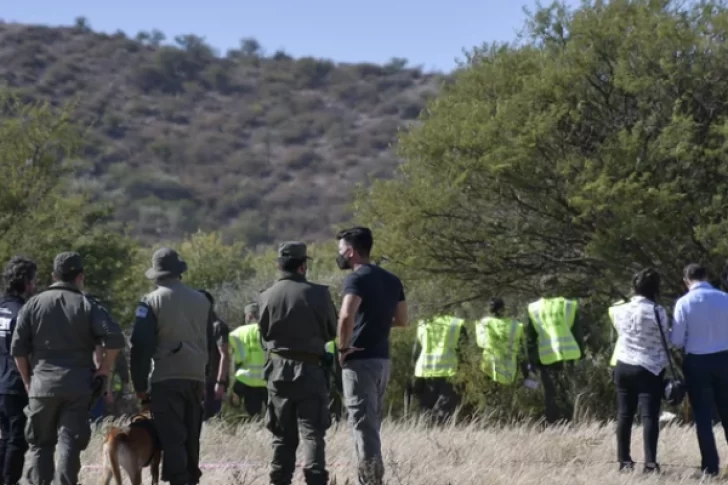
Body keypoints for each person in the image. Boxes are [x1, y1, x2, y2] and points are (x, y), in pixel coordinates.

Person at [10, 251, 125, 485]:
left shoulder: (33, 304)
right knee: (69, 446)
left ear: (53, 275)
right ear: (80, 276)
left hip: (42, 385)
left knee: (40, 445)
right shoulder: (87, 304)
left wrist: (28, 382)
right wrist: (104, 369)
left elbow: (18, 349)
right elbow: (115, 338)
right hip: (77, 386)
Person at [130, 247, 214, 485]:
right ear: (179, 273)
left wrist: (139, 385)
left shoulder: (150, 301)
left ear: (157, 276)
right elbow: (209, 343)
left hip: (166, 379)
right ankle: (190, 479)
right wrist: (206, 376)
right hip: (196, 378)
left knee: (173, 438)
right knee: (192, 437)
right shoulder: (203, 300)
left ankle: (179, 481)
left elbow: (140, 346)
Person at [258, 241, 337, 485]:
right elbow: (332, 330)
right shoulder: (319, 294)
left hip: (278, 371)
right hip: (310, 370)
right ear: (303, 266)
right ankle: (314, 478)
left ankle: (279, 478)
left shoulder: (266, 296)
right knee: (312, 432)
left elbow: (264, 334)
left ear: (279, 266)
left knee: (282, 435)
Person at [335, 227, 408, 485]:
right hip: (382, 360)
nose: (340, 255)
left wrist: (343, 349)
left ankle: (371, 480)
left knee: (363, 425)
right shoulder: (392, 279)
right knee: (372, 422)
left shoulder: (356, 280)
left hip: (359, 361)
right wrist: (376, 320)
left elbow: (346, 315)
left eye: (341, 250)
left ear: (352, 252)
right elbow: (401, 320)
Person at [671, 263, 728, 477]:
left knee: (703, 417)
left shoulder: (683, 303)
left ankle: (710, 467)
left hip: (697, 362)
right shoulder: (725, 298)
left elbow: (676, 340)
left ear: (686, 281)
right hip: (725, 358)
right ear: (707, 276)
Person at [609, 268, 667, 474]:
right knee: (649, 416)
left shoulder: (619, 310)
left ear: (634, 286)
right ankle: (650, 463)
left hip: (623, 364)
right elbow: (666, 340)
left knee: (624, 415)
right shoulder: (657, 311)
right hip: (649, 367)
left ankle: (624, 461)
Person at [525, 275, 585, 424]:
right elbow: (577, 332)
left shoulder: (534, 308)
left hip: (546, 356)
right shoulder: (569, 305)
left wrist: (532, 359)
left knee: (550, 393)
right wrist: (581, 354)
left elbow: (530, 336)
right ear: (558, 286)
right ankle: (568, 422)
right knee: (566, 391)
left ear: (541, 288)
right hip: (568, 354)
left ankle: (553, 424)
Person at [0, 256, 37, 485]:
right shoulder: (24, 313)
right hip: (15, 384)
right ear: (24, 282)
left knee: (4, 439)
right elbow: (25, 352)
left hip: (0, 383)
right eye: (33, 281)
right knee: (17, 441)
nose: (35, 286)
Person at [412, 312, 467, 424]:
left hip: (425, 371)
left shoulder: (423, 324)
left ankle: (423, 437)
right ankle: (440, 436)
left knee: (426, 409)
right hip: (449, 372)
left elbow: (415, 352)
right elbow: (464, 351)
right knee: (444, 410)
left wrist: (413, 372)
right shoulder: (456, 324)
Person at [474, 297, 529, 386]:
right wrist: (526, 374)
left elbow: (480, 344)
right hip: (508, 372)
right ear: (502, 309)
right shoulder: (515, 325)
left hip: (488, 369)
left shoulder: (483, 323)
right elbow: (521, 351)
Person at [229, 303, 267, 418]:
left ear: (249, 316)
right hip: (268, 379)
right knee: (273, 415)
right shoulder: (270, 330)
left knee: (253, 415)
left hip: (247, 380)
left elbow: (235, 358)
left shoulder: (237, 333)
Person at [198, 289, 230, 421]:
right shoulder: (195, 325)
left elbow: (224, 355)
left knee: (212, 419)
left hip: (212, 382)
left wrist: (220, 382)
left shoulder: (218, 326)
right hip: (197, 381)